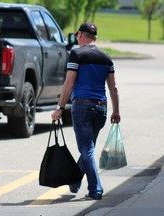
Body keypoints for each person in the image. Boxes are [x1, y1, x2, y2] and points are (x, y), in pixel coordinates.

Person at [51, 22, 120, 200]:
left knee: (86, 149)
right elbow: (113, 88)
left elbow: (69, 83)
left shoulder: (76, 54)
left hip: (82, 106)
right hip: (101, 107)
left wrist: (59, 108)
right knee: (87, 148)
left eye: (76, 34)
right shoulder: (106, 57)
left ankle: (95, 189)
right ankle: (75, 181)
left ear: (81, 35)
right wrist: (116, 111)